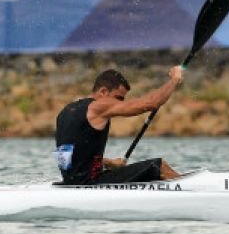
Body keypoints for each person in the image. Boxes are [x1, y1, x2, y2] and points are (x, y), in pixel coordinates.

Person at [54, 67, 184, 185]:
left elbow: (71, 157)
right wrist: (174, 79)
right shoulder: (97, 107)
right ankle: (193, 190)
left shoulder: (65, 112)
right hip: (90, 183)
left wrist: (109, 163)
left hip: (71, 183)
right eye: (118, 98)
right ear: (103, 91)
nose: (120, 103)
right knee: (158, 166)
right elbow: (151, 103)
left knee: (149, 172)